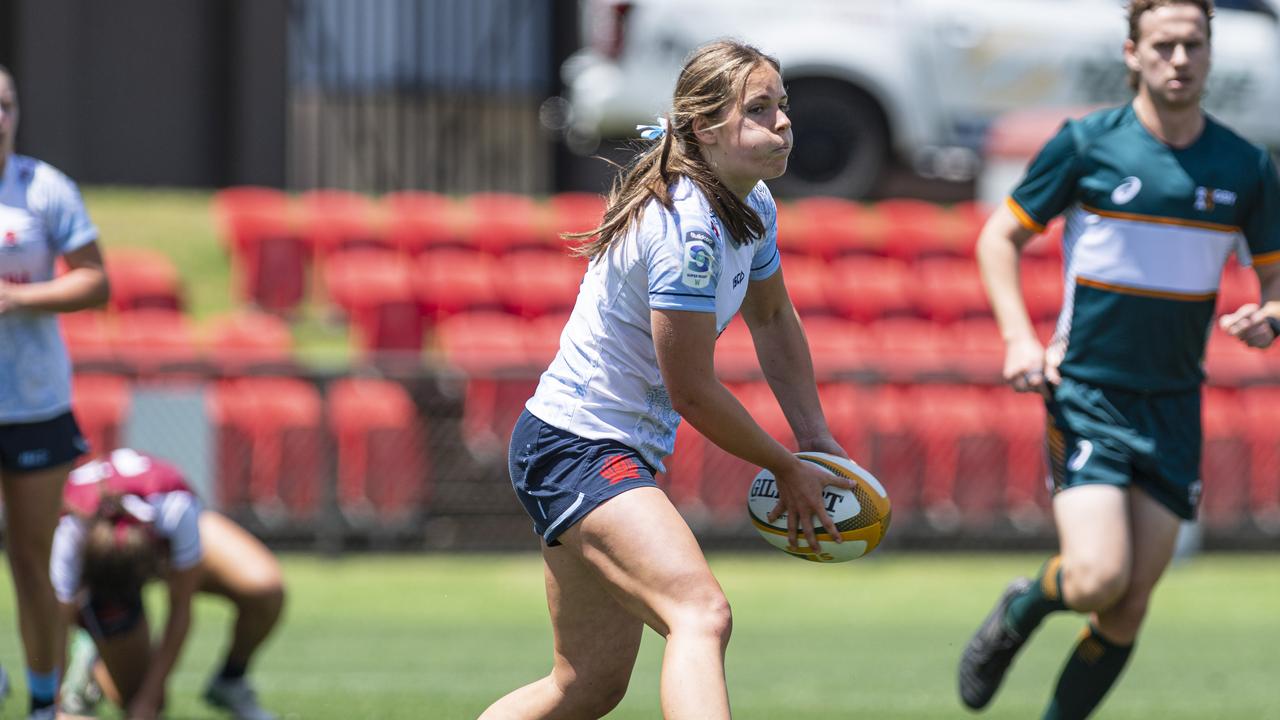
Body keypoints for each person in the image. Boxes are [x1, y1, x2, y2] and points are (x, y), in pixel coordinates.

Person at [480, 40, 854, 719]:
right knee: (701, 613)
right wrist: (784, 466)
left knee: (586, 684)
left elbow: (772, 321)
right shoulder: (688, 230)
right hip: (577, 448)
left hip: (594, 450)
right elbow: (693, 392)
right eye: (760, 110)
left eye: (784, 107)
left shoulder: (753, 203)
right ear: (706, 130)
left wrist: (816, 438)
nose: (784, 124)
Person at [959, 2, 1280, 718]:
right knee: (1099, 576)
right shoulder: (1087, 144)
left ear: (1210, 52)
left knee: (1129, 607)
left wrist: (1272, 314)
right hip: (1089, 394)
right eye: (1164, 45)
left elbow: (1276, 275)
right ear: (1132, 52)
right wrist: (1018, 338)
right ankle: (1024, 606)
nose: (1180, 59)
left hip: (1173, 403)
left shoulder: (1246, 166)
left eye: (1193, 45)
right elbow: (997, 239)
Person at [0, 63, 111, 720]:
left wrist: (19, 298)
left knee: (30, 559)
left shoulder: (44, 188)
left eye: (7, 104)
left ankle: (44, 701)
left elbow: (94, 281)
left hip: (34, 402)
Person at [52, 448, 285, 720]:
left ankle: (230, 681)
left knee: (264, 587)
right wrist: (52, 706)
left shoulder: (175, 510)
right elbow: (56, 622)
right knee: (136, 697)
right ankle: (92, 654)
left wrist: (147, 703)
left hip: (160, 515)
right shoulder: (69, 532)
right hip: (107, 559)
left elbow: (180, 611)